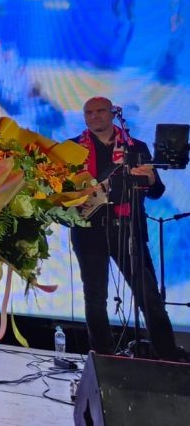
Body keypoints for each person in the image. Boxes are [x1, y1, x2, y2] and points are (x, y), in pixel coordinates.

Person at [70, 97, 181, 360]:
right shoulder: (71, 149)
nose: (95, 116)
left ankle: (167, 357)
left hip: (129, 229)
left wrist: (151, 180)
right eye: (89, 113)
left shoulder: (135, 146)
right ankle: (103, 358)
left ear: (113, 113)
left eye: (100, 111)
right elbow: (60, 192)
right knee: (95, 297)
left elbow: (156, 191)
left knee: (148, 295)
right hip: (89, 230)